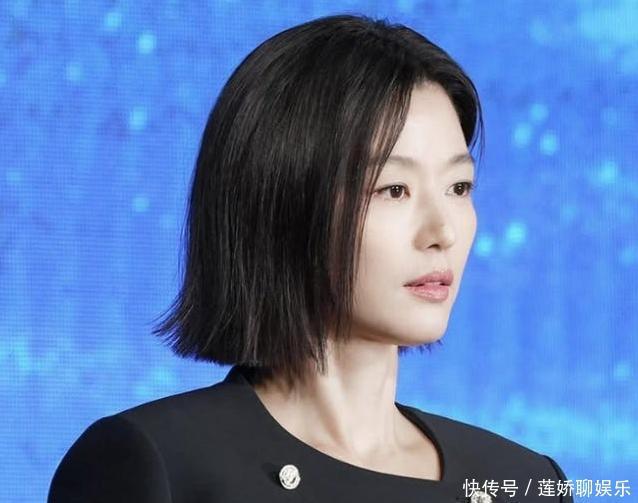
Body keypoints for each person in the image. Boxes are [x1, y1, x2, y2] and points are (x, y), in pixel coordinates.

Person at [48, 14, 573, 503]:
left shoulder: (524, 481)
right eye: (394, 190)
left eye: (459, 187)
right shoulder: (155, 464)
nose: (444, 232)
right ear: (282, 202)